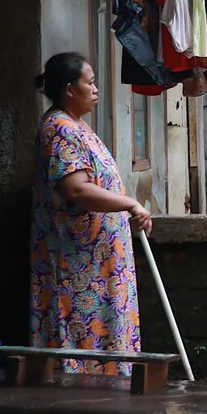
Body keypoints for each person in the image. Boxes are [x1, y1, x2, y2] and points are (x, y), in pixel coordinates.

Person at [31, 52, 152, 376]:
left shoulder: (77, 125)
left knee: (107, 342)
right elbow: (77, 189)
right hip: (78, 270)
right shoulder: (60, 128)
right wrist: (128, 204)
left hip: (99, 267)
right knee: (81, 342)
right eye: (91, 83)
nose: (96, 89)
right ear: (70, 89)